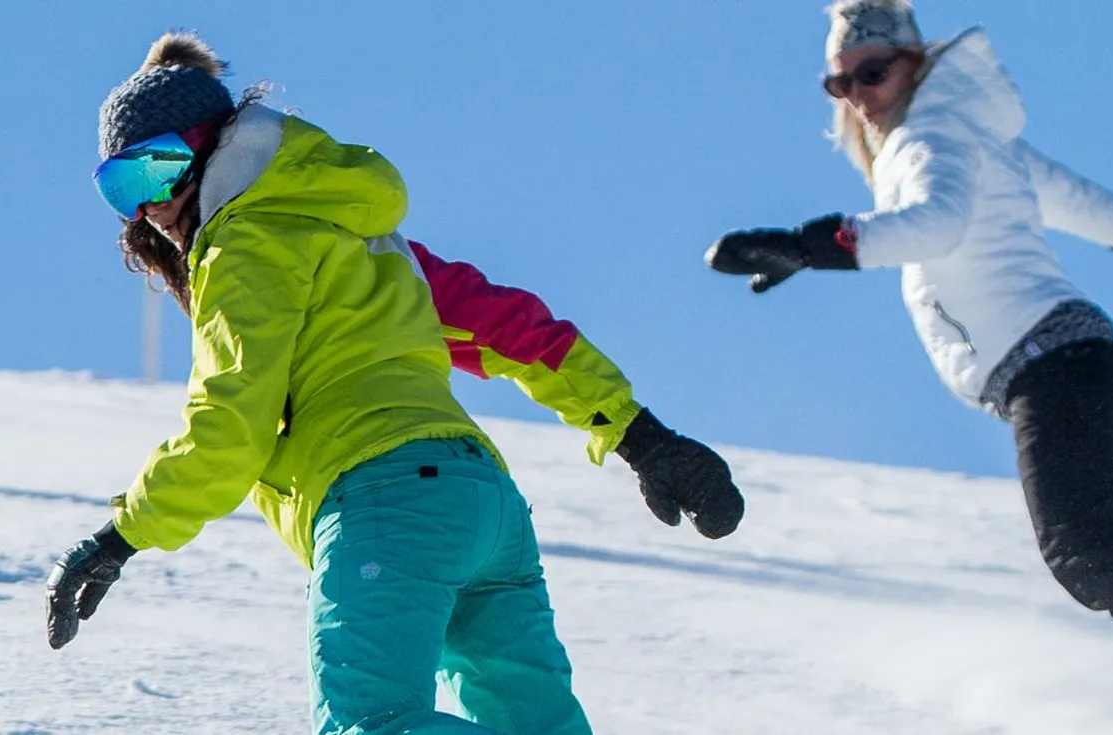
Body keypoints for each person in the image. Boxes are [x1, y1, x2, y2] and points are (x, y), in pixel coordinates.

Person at [44, 32, 744, 735]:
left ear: (208, 146)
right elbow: (516, 332)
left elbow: (232, 423)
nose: (148, 211)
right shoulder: (366, 236)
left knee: (371, 724)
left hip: (385, 503)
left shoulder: (243, 244)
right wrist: (640, 436)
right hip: (484, 508)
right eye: (121, 189)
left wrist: (120, 537)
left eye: (155, 171)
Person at [704, 0, 1113, 713]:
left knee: (1087, 558)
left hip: (1047, 364)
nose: (859, 96)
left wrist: (808, 246)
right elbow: (1070, 196)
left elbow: (936, 225)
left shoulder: (926, 137)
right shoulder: (971, 131)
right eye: (839, 85)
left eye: (872, 73)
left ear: (915, 62)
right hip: (1082, 354)